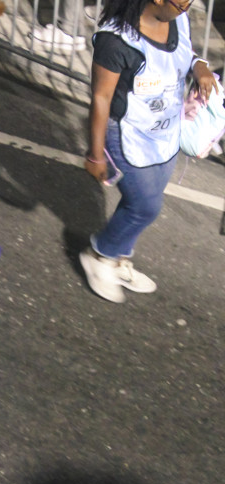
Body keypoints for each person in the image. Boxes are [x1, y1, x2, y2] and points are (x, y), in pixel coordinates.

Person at [80, 0, 218, 303]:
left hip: (165, 135)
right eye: (181, 1)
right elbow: (101, 98)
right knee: (145, 206)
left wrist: (200, 66)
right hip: (126, 136)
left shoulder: (178, 19)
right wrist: (95, 153)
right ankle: (99, 255)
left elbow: (186, 53)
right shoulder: (115, 40)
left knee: (139, 203)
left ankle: (117, 258)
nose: (187, 7)